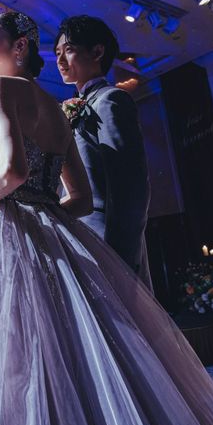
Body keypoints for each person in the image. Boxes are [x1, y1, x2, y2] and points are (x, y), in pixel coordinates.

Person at [0, 11, 213, 425]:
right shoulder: (60, 112)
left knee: (13, 352)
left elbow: (13, 171)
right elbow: (79, 199)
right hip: (59, 239)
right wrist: (46, 214)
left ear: (19, 46)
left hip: (11, 230)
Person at [55, 15, 152, 289]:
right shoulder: (71, 106)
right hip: (77, 237)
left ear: (97, 52)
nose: (60, 60)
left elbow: (131, 187)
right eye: (57, 53)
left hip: (106, 239)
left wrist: (121, 257)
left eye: (69, 50)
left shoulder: (110, 100)